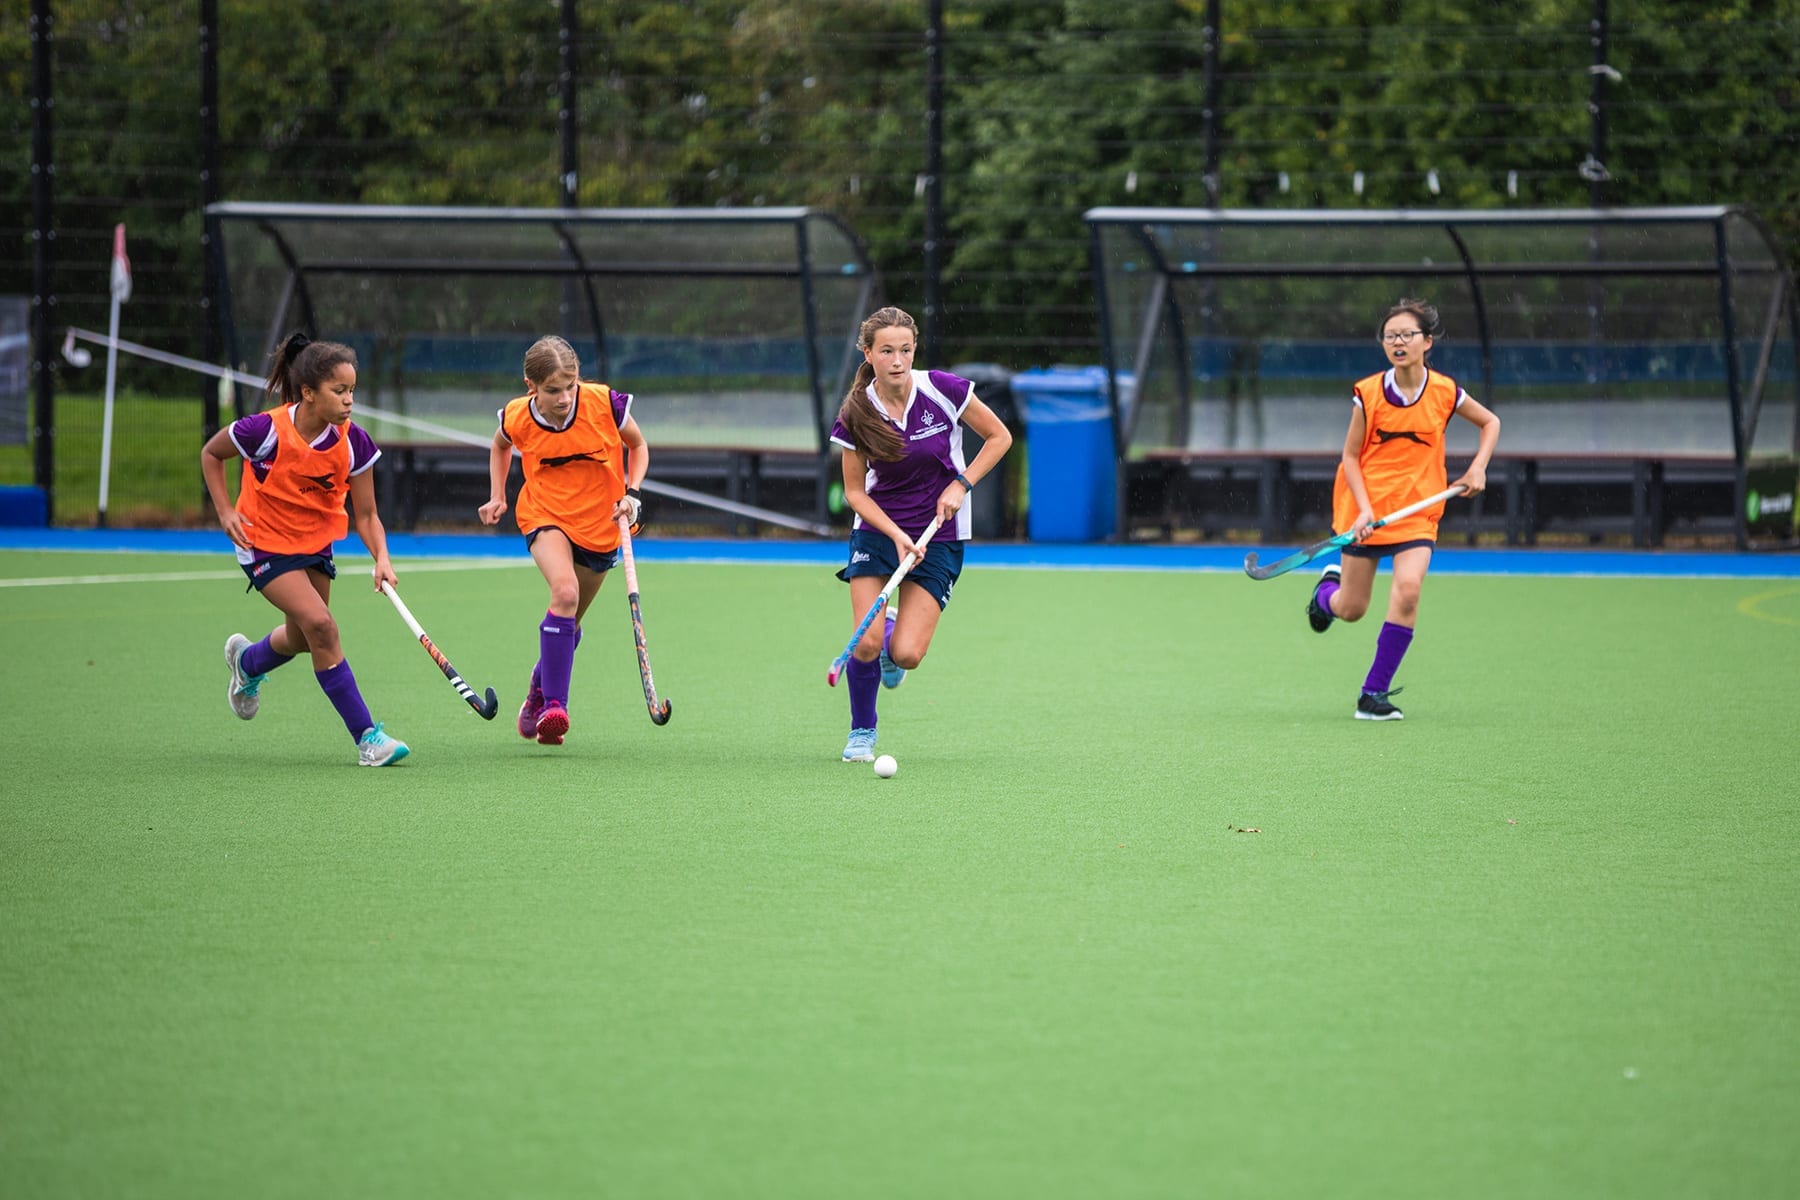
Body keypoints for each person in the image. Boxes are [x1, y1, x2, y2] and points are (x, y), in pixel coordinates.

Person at [201, 333, 409, 766]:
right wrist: (224, 511)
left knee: (301, 637)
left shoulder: (354, 442)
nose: (349, 400)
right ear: (310, 393)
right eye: (340, 391)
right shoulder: (263, 430)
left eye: (352, 390)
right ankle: (368, 738)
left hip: (314, 545)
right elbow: (211, 454)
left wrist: (382, 559)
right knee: (322, 627)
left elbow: (367, 516)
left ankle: (247, 662)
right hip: (262, 544)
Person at [829, 306, 1014, 762]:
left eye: (906, 350)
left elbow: (999, 437)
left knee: (906, 654)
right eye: (887, 351)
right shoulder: (856, 413)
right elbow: (855, 492)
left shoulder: (944, 390)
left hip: (941, 532)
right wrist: (894, 535)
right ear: (869, 354)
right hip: (877, 530)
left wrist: (961, 483)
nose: (898, 360)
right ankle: (862, 731)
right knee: (866, 641)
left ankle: (892, 632)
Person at [1305, 297, 1501, 721]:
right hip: (1366, 509)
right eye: (1390, 336)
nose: (1397, 342)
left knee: (1408, 589)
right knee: (1352, 609)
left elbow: (1491, 423)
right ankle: (1325, 596)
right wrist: (1362, 510)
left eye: (1406, 335)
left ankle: (1372, 695)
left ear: (1426, 342)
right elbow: (1351, 457)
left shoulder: (1446, 392)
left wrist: (1478, 468)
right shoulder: (1370, 393)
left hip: (1418, 510)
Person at [478, 335, 649, 746]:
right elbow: (500, 446)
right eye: (553, 390)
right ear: (530, 386)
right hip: (545, 513)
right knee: (565, 593)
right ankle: (555, 706)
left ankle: (539, 687)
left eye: (570, 387)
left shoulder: (603, 403)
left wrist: (633, 492)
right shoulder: (518, 416)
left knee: (570, 622)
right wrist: (498, 495)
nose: (564, 397)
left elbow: (638, 446)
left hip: (601, 521)